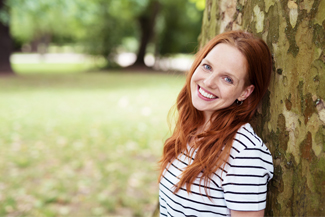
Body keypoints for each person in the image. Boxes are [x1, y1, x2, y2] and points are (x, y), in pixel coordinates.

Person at [158, 30, 274, 217]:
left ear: (245, 92)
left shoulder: (244, 155)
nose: (209, 82)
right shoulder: (192, 129)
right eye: (207, 67)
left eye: (227, 79)